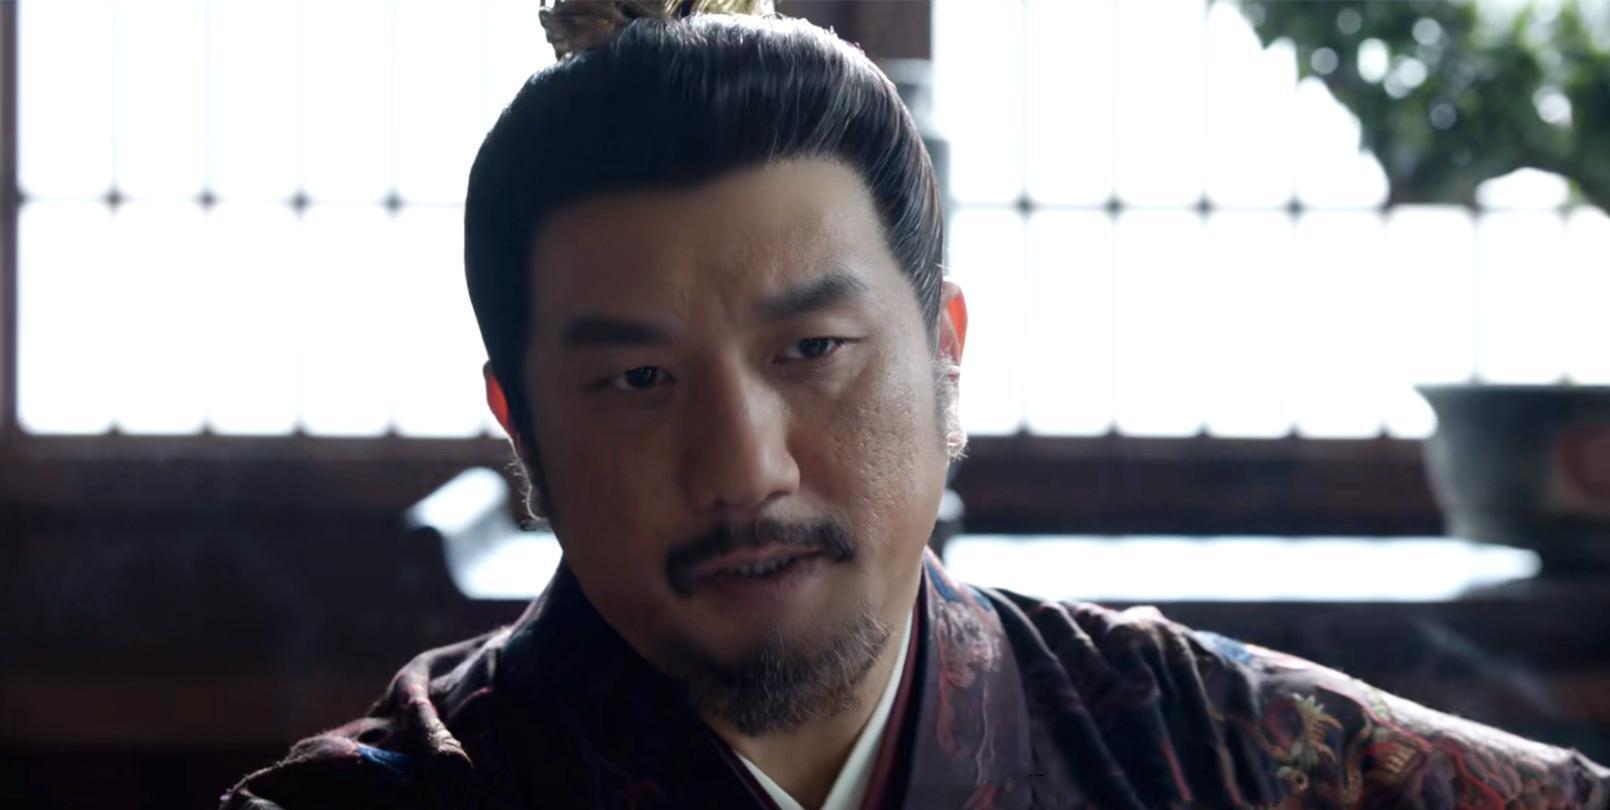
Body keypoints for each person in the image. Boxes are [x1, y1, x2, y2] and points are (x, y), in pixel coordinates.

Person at [221, 2, 1610, 808]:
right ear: (520, 425)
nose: (743, 465)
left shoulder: (1219, 753)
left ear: (945, 354)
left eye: (813, 348)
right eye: (638, 380)